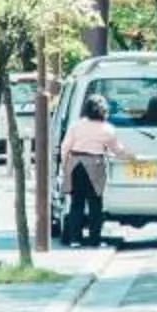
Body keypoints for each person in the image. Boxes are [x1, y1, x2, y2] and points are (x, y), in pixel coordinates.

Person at [59, 96, 134, 247]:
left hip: (76, 162)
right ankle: (95, 239)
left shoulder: (76, 126)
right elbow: (118, 150)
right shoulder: (107, 129)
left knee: (76, 203)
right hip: (95, 163)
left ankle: (75, 239)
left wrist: (64, 164)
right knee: (95, 204)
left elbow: (65, 146)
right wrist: (132, 157)